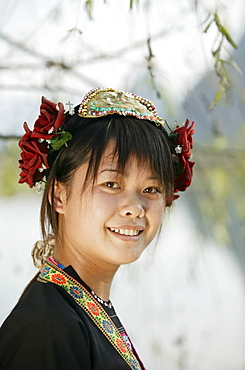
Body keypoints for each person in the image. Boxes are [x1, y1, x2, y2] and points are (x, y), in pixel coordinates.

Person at [0, 87, 195, 369]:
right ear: (59, 195)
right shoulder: (46, 330)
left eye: (151, 188)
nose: (136, 208)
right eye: (111, 184)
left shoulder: (78, 309)